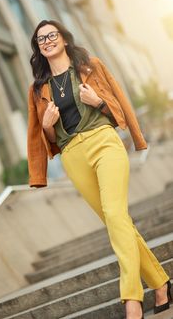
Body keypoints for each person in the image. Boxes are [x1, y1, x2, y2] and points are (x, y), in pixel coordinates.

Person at [27, 19, 171, 319]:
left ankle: (131, 300)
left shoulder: (90, 66)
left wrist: (99, 102)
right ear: (38, 48)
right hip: (72, 156)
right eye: (41, 39)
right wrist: (46, 126)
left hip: (104, 141)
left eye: (52, 35)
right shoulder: (39, 89)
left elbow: (118, 101)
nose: (47, 41)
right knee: (116, 223)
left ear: (64, 39)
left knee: (117, 215)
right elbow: (47, 139)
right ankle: (161, 284)